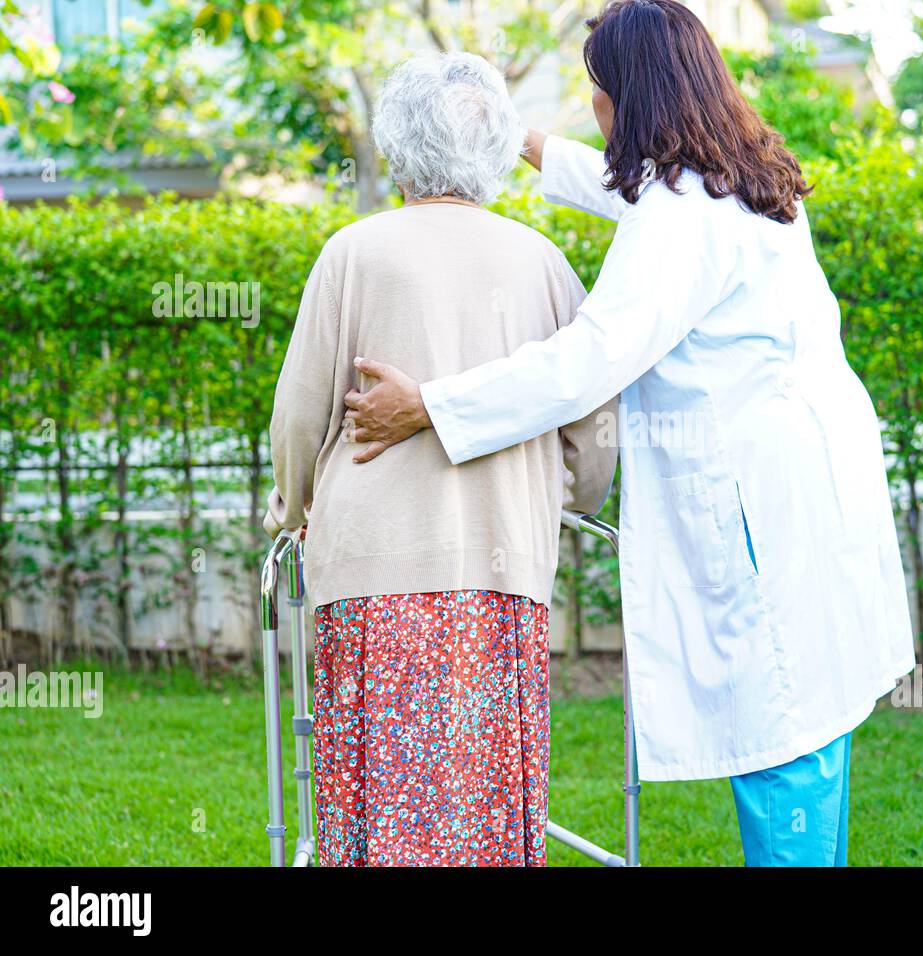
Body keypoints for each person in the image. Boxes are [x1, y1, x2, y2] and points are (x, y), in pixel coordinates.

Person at [343, 0, 914, 866]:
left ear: (634, 98)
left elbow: (588, 360)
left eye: (599, 94)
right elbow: (627, 191)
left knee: (782, 739)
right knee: (812, 730)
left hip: (759, 504)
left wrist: (431, 405)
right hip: (811, 485)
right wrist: (517, 137)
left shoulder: (679, 219)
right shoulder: (738, 177)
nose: (595, 112)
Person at [262, 51, 617, 867]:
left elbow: (298, 414)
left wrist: (294, 508)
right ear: (493, 148)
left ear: (395, 145)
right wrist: (554, 493)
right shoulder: (543, 263)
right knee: (491, 802)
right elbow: (597, 428)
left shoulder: (353, 253)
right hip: (502, 567)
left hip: (368, 569)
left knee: (373, 801)